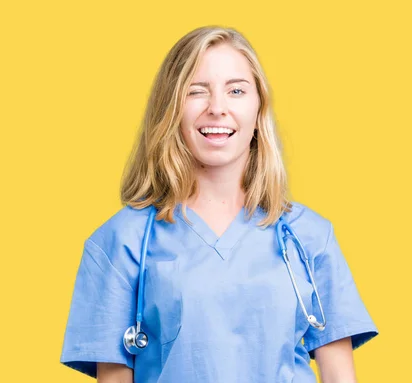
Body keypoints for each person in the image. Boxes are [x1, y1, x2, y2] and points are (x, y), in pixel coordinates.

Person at [59, 26, 379, 382]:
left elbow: (340, 376)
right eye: (197, 92)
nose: (217, 108)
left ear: (259, 108)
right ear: (171, 109)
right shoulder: (120, 242)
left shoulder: (309, 237)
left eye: (236, 90)